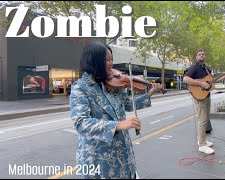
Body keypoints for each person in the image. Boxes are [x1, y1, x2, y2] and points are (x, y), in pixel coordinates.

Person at [69, 42, 162, 179]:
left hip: (122, 153)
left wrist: (149, 93)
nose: (112, 63)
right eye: (107, 59)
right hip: (97, 159)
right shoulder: (80, 88)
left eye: (112, 59)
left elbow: (129, 105)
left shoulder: (113, 85)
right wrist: (118, 125)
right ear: (94, 60)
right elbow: (81, 123)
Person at [183, 48, 225, 155]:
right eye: (199, 54)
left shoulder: (206, 68)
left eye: (203, 54)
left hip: (207, 95)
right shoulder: (194, 67)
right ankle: (202, 145)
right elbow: (186, 79)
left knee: (206, 119)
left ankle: (201, 140)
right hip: (199, 96)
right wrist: (201, 84)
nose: (201, 55)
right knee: (202, 120)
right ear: (196, 56)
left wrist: (223, 76)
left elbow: (211, 81)